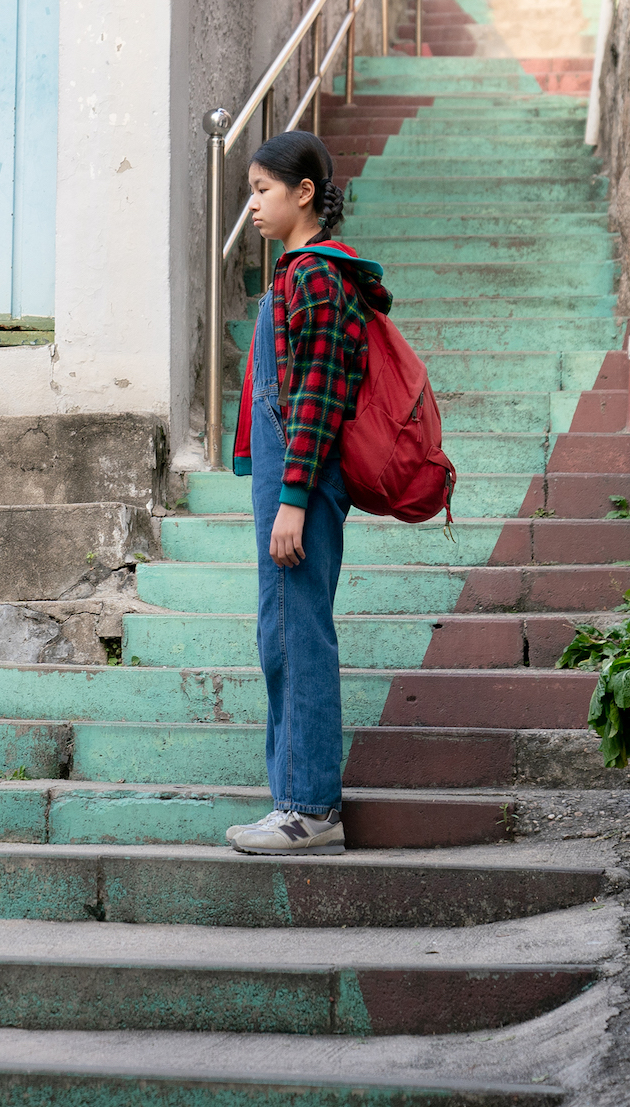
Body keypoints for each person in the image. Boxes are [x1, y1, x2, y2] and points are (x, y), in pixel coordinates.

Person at [223, 132, 392, 856]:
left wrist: (292, 496)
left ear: (302, 192)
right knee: (282, 635)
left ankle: (308, 809)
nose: (252, 205)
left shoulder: (315, 278)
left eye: (262, 190)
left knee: (296, 636)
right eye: (249, 192)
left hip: (303, 478)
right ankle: (295, 799)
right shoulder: (296, 274)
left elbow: (319, 396)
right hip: (290, 474)